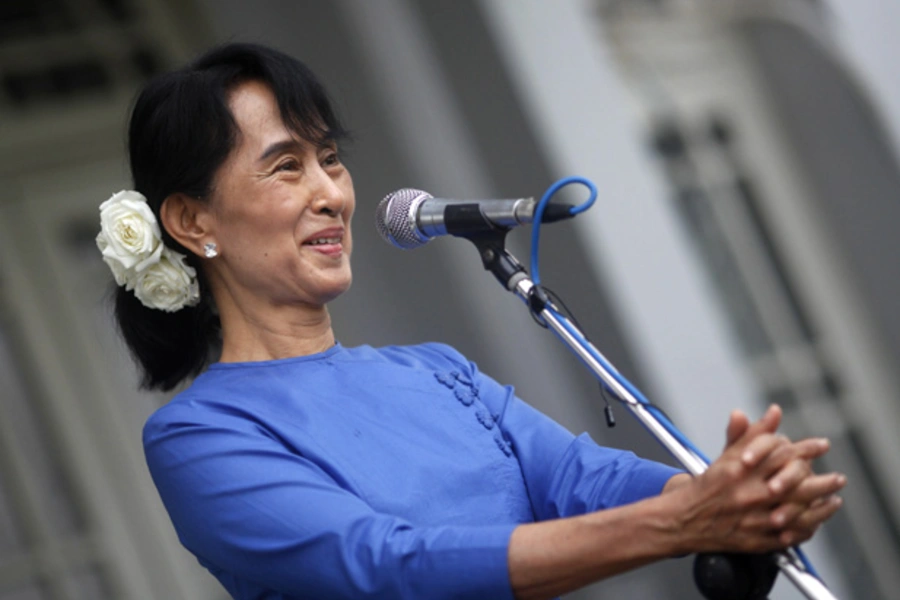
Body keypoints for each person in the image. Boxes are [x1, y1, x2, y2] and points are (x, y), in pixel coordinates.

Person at [98, 42, 846, 600]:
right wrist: (687, 522)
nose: (330, 192)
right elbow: (384, 568)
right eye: (286, 166)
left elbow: (585, 479)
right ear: (194, 221)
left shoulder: (434, 371)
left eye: (331, 159)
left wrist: (735, 492)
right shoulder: (199, 435)